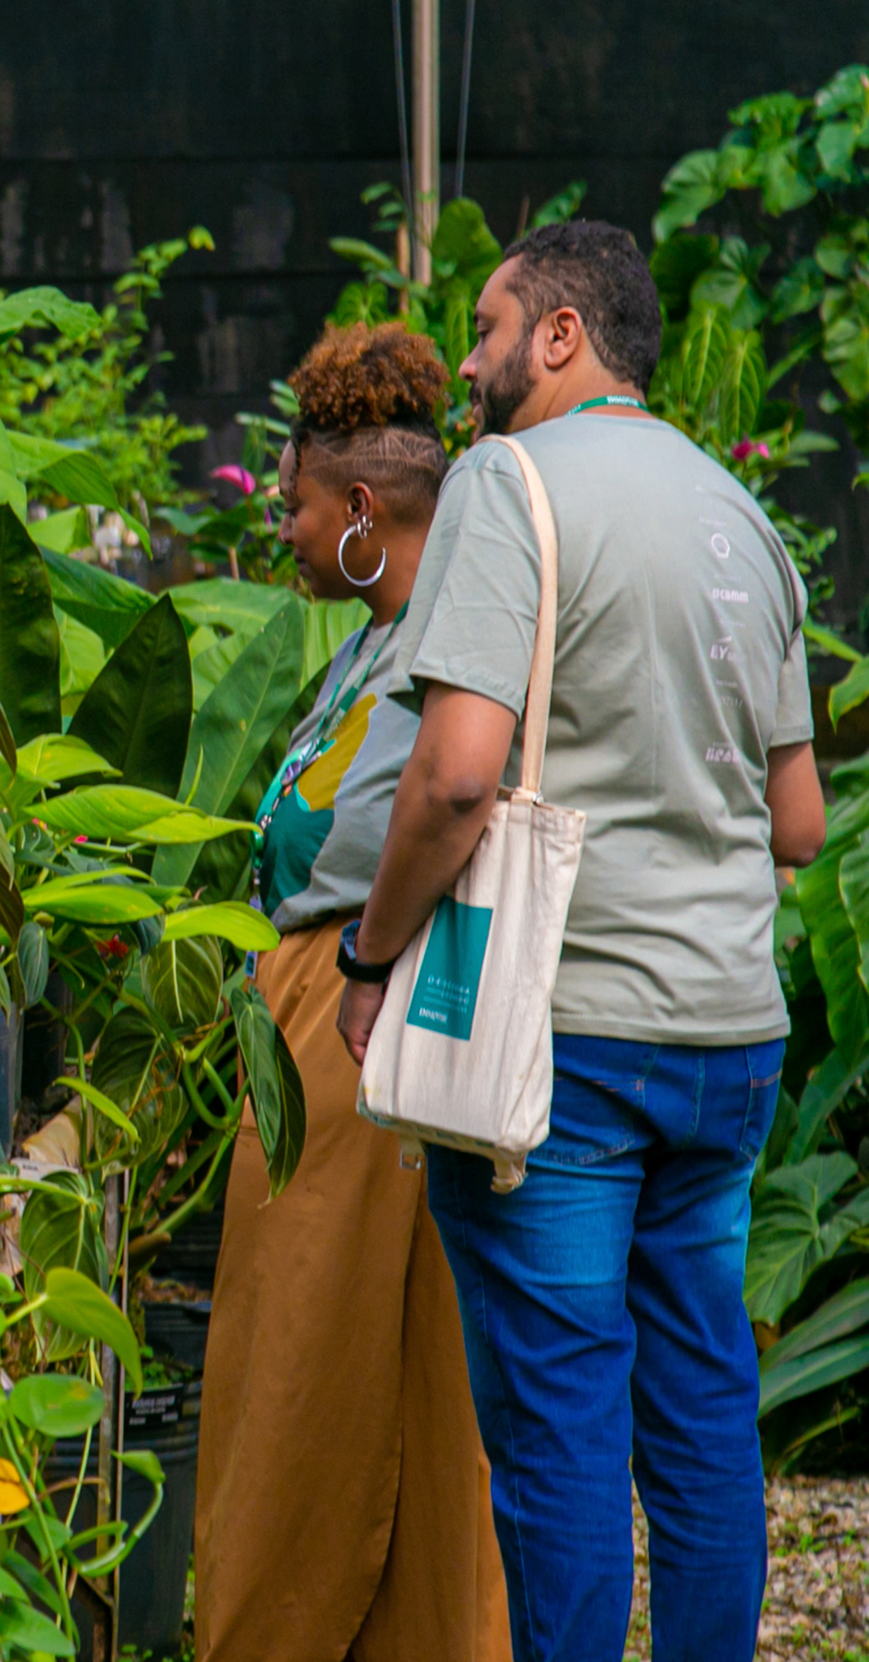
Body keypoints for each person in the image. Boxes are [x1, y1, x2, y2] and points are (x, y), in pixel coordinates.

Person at [336, 222, 828, 1662]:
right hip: (730, 1042)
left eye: (489, 328)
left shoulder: (510, 483)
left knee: (558, 1433)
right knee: (702, 1416)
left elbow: (454, 777)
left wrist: (371, 958)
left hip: (563, 1052)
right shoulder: (743, 517)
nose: (468, 362)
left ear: (563, 335)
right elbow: (799, 823)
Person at [194, 324, 509, 1662]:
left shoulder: (444, 640)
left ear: (363, 510)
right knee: (335, 1339)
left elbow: (443, 802)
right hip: (327, 1003)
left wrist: (365, 968)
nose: (285, 532)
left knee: (314, 1354)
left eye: (299, 508)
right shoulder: (373, 643)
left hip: (362, 1005)